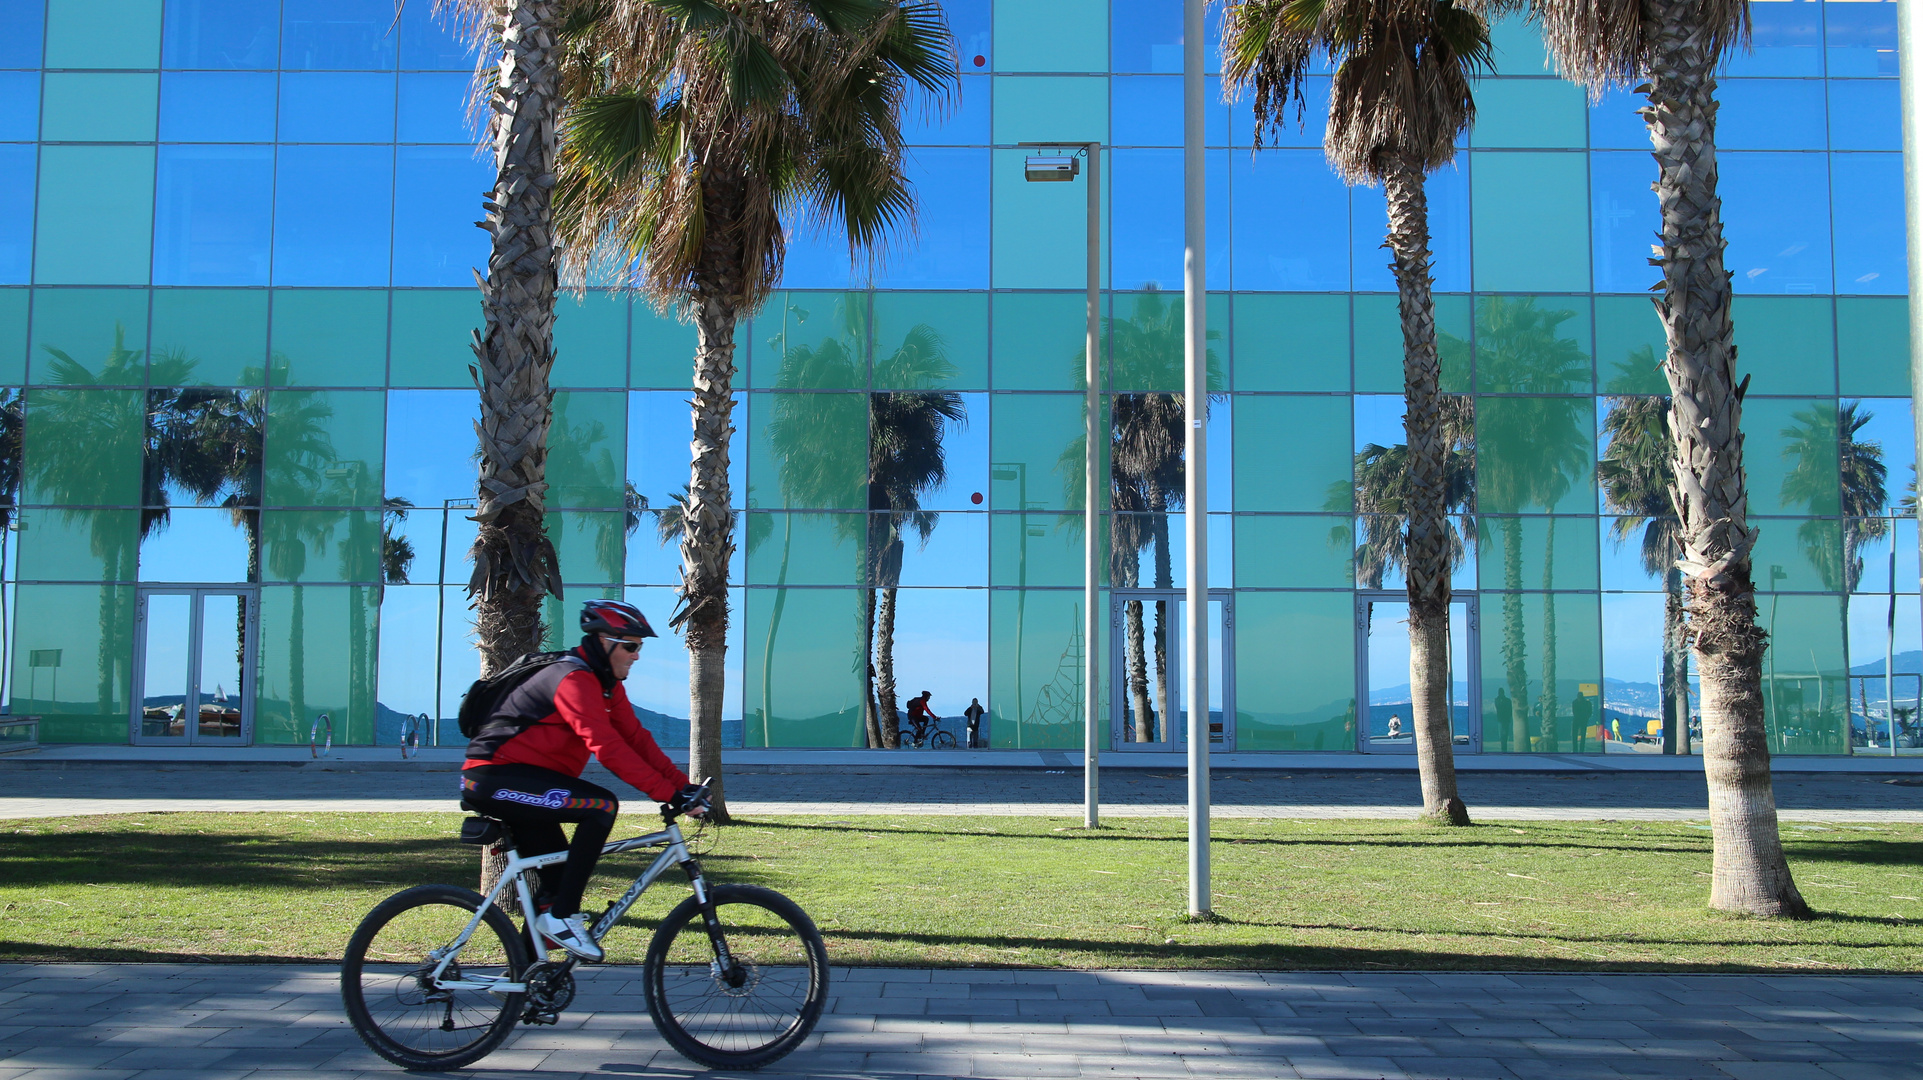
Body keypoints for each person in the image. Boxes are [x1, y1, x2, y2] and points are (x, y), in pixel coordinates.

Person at [460, 599, 705, 962]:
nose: (637, 656)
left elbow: (636, 739)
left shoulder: (606, 686)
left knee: (557, 884)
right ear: (604, 641)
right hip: (493, 778)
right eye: (631, 646)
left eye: (640, 647)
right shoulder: (573, 679)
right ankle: (562, 918)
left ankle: (525, 982)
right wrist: (665, 792)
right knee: (601, 806)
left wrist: (682, 786)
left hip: (525, 782)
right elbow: (606, 748)